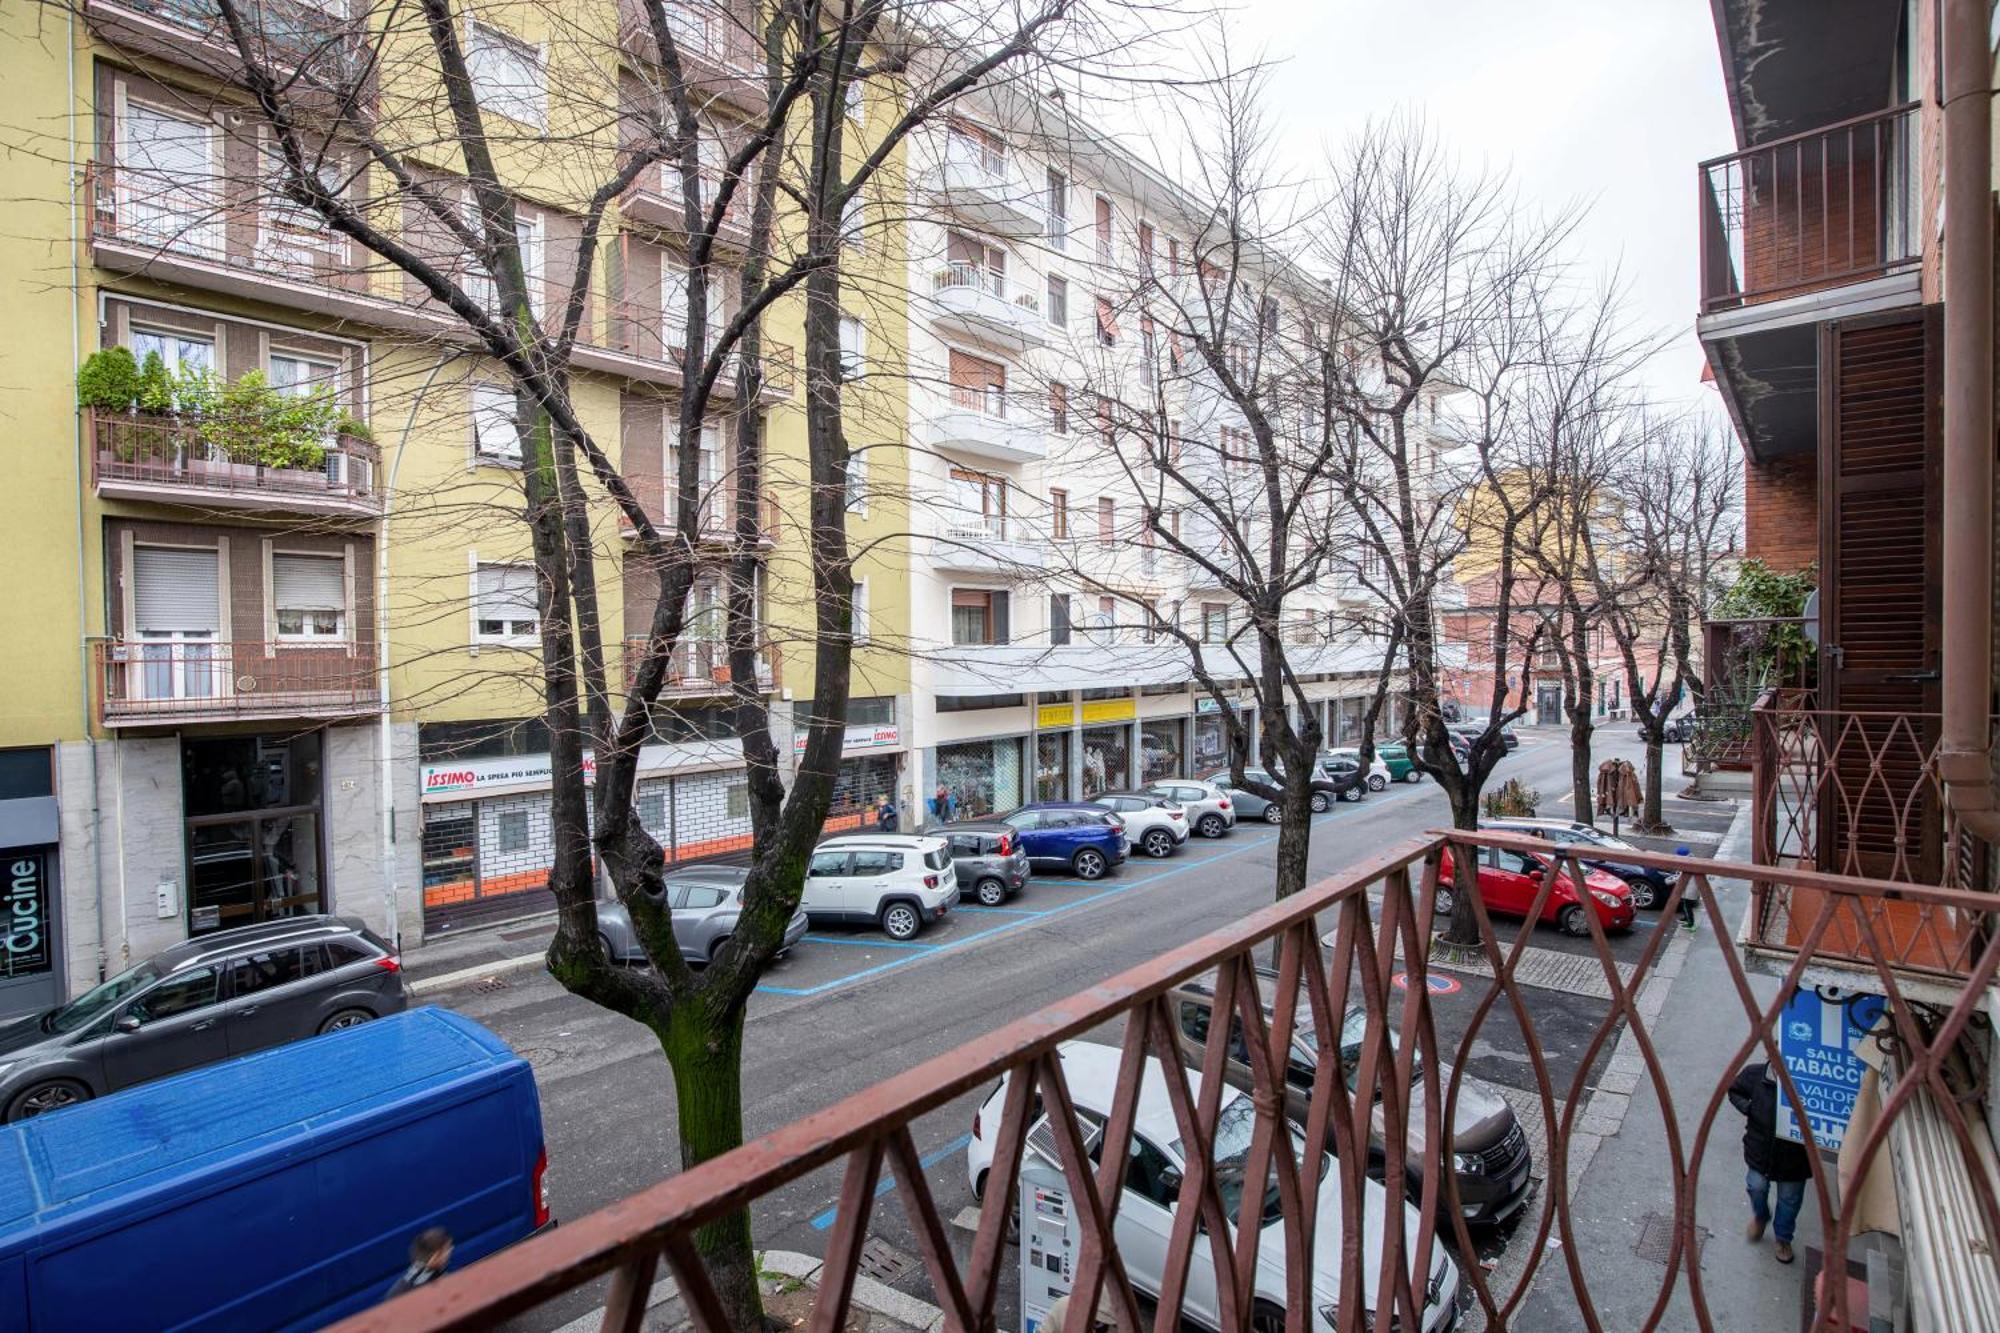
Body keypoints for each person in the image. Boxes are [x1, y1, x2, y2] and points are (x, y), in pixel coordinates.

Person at [1728, 1061, 1811, 1264]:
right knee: (1756, 1186)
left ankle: (1783, 1238)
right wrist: (1749, 1108)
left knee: (1789, 1199)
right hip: (1760, 1150)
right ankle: (1761, 1216)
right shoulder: (1756, 1074)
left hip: (1795, 1158)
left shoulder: (1807, 1081)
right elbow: (1734, 1090)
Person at [386, 1227, 454, 1299]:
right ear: (435, 1257)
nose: (451, 1249)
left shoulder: (414, 1270)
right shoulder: (436, 1282)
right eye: (448, 1248)